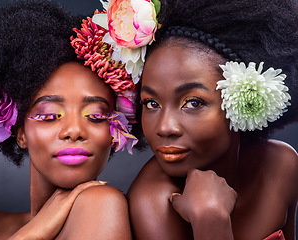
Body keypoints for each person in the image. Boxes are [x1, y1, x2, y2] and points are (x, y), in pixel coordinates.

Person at [94, 0, 298, 239]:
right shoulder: (155, 202)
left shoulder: (282, 165)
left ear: (241, 100)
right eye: (152, 103)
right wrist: (211, 219)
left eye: (193, 102)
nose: (165, 127)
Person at [0, 0, 137, 239]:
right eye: (50, 116)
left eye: (95, 116)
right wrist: (32, 233)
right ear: (20, 132)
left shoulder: (102, 206)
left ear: (115, 131)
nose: (74, 130)